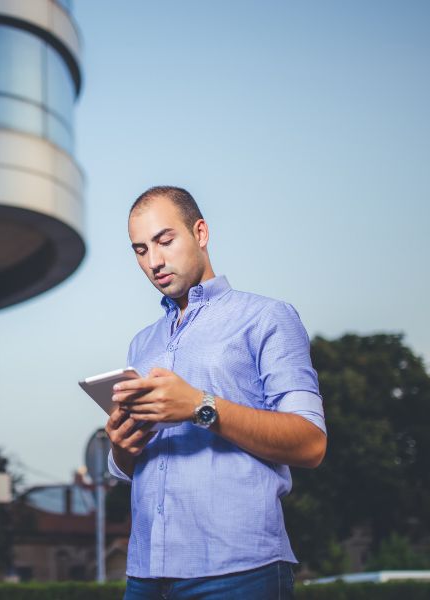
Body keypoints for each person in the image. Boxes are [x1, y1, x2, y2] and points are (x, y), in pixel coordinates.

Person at [106, 186, 327, 599]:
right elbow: (136, 468)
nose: (153, 261)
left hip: (238, 571)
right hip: (145, 574)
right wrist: (121, 447)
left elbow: (311, 443)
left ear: (201, 233)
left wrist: (199, 407)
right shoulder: (142, 344)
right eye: (139, 250)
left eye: (165, 241)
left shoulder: (266, 317)